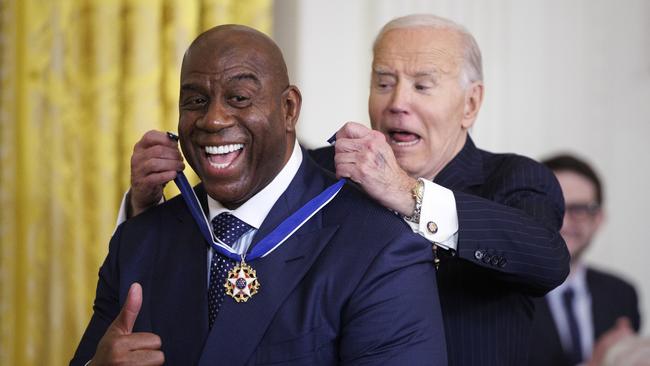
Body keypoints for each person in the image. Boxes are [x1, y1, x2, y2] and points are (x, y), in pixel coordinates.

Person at [118, 15, 570, 365]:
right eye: (384, 82)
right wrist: (144, 207)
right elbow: (225, 205)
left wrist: (407, 192)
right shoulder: (322, 172)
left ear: (470, 103)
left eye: (422, 86)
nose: (397, 102)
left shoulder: (515, 180)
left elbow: (547, 259)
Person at [71, 24, 447, 365]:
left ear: (288, 109)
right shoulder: (138, 240)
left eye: (239, 98)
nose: (213, 119)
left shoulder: (381, 249)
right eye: (196, 101)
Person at [527, 154, 640, 366]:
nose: (566, 221)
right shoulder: (503, 296)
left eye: (579, 209)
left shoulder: (622, 294)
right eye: (555, 207)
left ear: (598, 219)